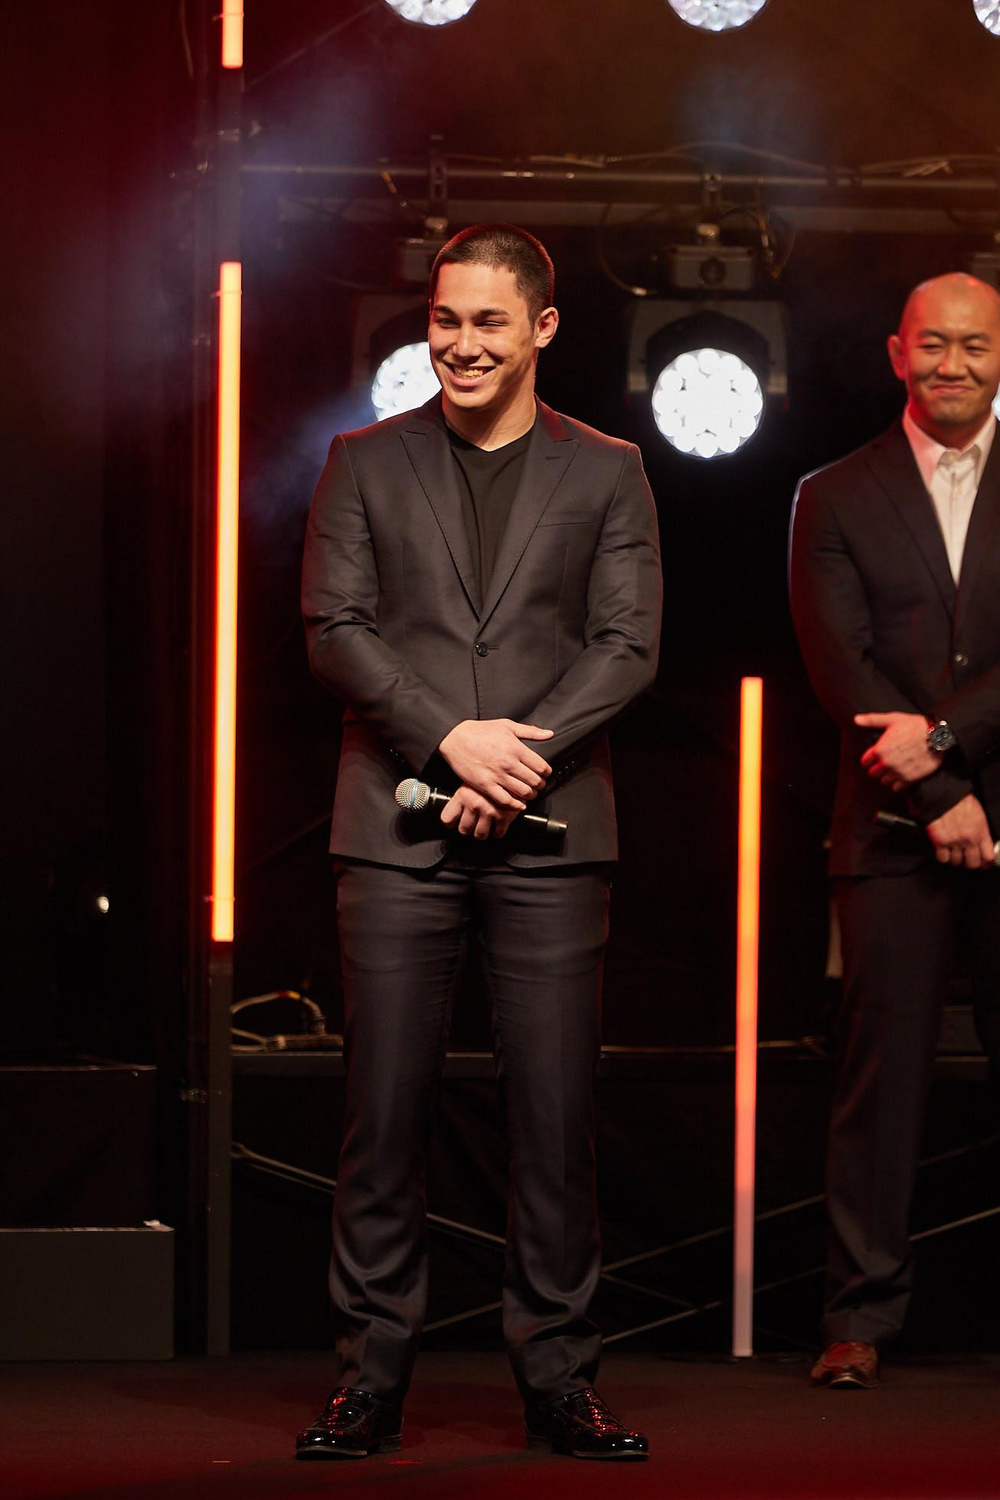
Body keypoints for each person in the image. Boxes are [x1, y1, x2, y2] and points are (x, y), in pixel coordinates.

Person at [297, 224, 662, 1458]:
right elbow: (334, 628)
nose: (459, 343)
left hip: (551, 835)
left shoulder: (608, 468)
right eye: (444, 320)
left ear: (541, 328)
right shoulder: (361, 459)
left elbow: (627, 644)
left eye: (487, 322)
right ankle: (369, 1377)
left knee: (554, 1122)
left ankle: (558, 1378)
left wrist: (517, 760)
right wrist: (451, 737)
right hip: (393, 825)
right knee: (381, 1115)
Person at [789, 272, 1000, 1389]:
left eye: (975, 345)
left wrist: (949, 745)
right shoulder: (832, 493)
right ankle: (858, 1319)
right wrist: (935, 793)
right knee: (879, 1084)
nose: (952, 363)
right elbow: (841, 668)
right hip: (885, 828)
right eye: (933, 344)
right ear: (895, 353)